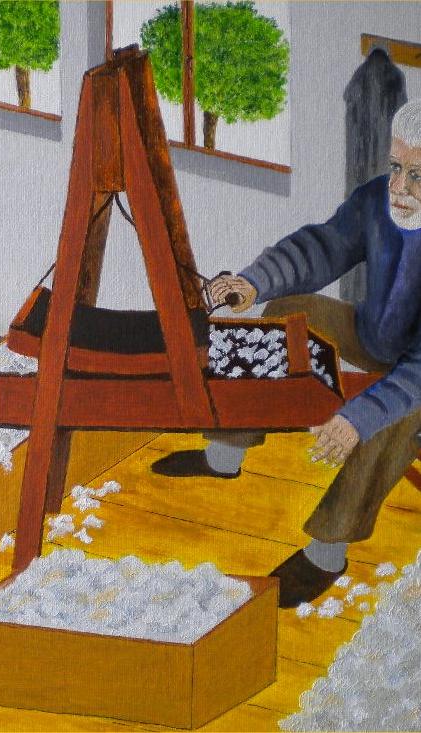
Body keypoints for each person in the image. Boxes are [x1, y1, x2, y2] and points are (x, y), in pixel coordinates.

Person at [156, 98, 421, 608]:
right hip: (374, 336)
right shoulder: (378, 201)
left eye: (416, 176)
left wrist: (357, 417)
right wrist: (253, 283)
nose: (397, 187)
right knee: (289, 311)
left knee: (390, 419)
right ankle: (224, 454)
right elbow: (322, 247)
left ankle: (327, 553)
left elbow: (416, 374)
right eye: (395, 167)